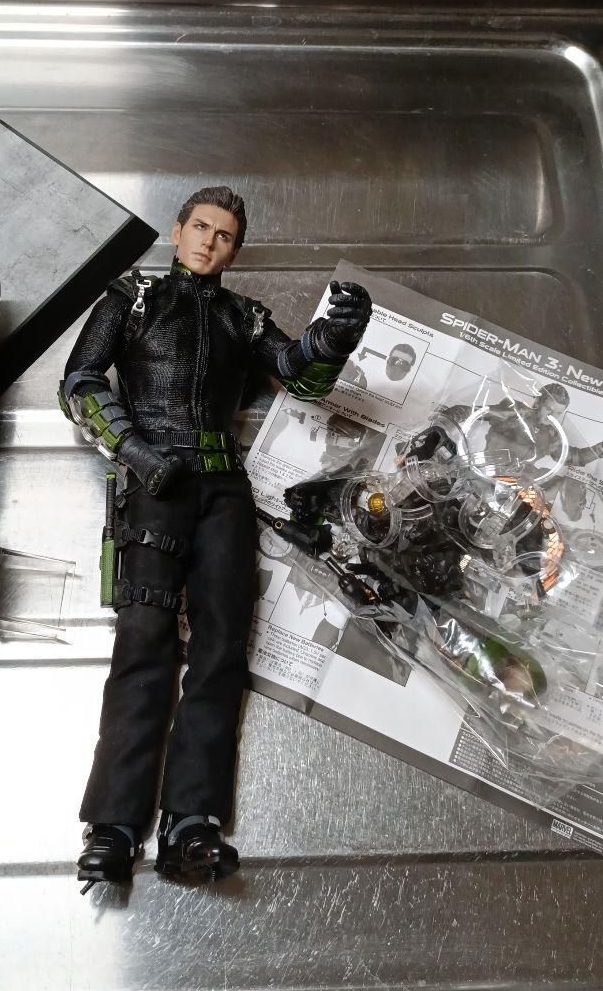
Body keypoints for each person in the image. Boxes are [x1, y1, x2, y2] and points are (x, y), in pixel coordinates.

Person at [59, 185, 371, 887]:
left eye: (224, 235)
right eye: (200, 227)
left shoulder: (242, 316)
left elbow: (299, 377)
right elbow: (79, 382)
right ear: (177, 231)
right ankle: (112, 825)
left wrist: (333, 340)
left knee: (223, 647)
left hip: (225, 486)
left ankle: (190, 822)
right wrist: (135, 451)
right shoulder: (132, 298)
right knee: (144, 640)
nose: (208, 242)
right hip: (155, 481)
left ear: (235, 250)